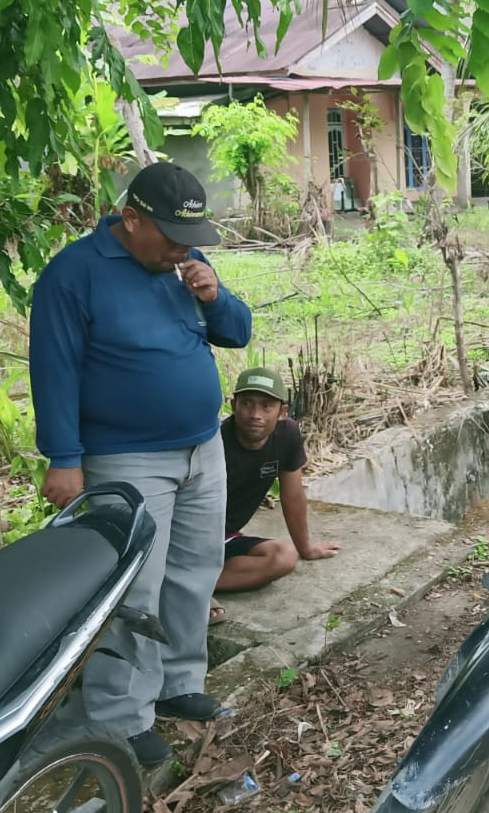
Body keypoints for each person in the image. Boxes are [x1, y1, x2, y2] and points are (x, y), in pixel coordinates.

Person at [29, 161, 251, 768]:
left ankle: (180, 683)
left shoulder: (181, 265)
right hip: (125, 457)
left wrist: (215, 293)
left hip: (203, 448)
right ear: (131, 219)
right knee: (133, 590)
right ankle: (123, 716)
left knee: (193, 570)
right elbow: (54, 372)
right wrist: (64, 459)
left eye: (192, 240)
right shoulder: (74, 275)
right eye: (173, 237)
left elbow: (237, 333)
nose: (183, 249)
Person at [215, 366, 338, 596]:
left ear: (282, 412)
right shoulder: (214, 442)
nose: (255, 414)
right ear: (233, 406)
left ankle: (194, 583)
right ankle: (192, 588)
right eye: (247, 403)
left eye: (266, 406)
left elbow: (292, 496)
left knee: (285, 557)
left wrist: (307, 549)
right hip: (191, 539)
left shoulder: (287, 434)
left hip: (226, 537)